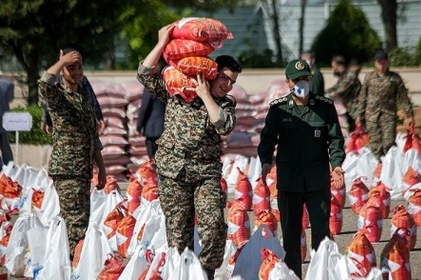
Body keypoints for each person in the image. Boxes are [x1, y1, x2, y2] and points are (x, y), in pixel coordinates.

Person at [137, 24, 242, 280]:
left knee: (215, 227)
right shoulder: (177, 90)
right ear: (213, 73)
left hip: (205, 173)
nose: (227, 85)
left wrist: (207, 96)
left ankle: (205, 273)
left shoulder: (226, 103)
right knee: (178, 233)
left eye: (232, 82)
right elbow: (144, 74)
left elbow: (224, 126)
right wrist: (162, 42)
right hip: (173, 171)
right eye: (224, 78)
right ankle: (182, 274)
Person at [257, 59, 345, 279]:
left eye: (305, 78)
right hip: (289, 182)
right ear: (288, 82)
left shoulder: (325, 107)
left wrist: (336, 166)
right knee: (291, 237)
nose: (301, 83)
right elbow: (268, 138)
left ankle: (321, 274)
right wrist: (266, 161)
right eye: (296, 79)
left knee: (321, 235)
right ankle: (293, 276)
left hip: (317, 182)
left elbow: (335, 140)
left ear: (311, 79)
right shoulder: (278, 109)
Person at [38, 48, 106, 259]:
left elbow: (93, 137)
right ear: (62, 70)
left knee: (77, 220)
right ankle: (69, 266)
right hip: (67, 169)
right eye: (71, 68)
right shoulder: (58, 97)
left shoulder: (84, 98)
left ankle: (66, 263)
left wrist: (101, 169)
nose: (77, 72)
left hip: (82, 170)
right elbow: (44, 83)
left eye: (79, 67)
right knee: (76, 223)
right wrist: (62, 61)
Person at [355, 50, 414, 161]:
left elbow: (403, 97)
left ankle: (390, 167)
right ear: (375, 63)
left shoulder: (394, 78)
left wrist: (409, 115)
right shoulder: (369, 77)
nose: (381, 65)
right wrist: (359, 114)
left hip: (388, 115)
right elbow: (363, 96)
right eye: (379, 62)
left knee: (389, 143)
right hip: (372, 115)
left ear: (387, 62)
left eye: (384, 62)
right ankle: (378, 168)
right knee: (375, 145)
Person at [40, 75, 105, 135]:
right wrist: (99, 118)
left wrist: (48, 122)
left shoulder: (55, 79)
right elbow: (91, 99)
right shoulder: (81, 79)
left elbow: (49, 104)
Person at [136, 61, 167, 162]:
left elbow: (144, 108)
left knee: (153, 159)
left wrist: (139, 126)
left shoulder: (150, 87)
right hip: (165, 129)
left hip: (152, 129)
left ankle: (155, 178)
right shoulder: (167, 84)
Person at [326, 55, 361, 132]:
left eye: (334, 67)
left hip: (356, 111)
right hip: (350, 110)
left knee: (357, 134)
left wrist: (326, 96)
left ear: (340, 66)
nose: (333, 69)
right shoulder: (343, 77)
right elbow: (335, 87)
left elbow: (340, 92)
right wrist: (324, 92)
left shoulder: (350, 77)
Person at [0, 77, 14, 166]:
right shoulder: (9, 84)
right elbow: (11, 99)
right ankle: (9, 169)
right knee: (6, 148)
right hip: (4, 120)